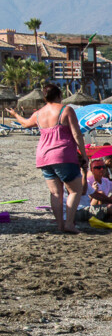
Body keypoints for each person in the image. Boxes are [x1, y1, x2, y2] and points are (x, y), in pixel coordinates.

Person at [6, 83, 89, 234]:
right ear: (59, 95)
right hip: (63, 154)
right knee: (75, 190)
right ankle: (69, 224)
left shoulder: (39, 113)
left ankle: (60, 225)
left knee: (55, 193)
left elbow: (25, 123)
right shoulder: (66, 110)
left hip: (43, 156)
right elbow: (77, 134)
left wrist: (15, 114)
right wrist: (84, 155)